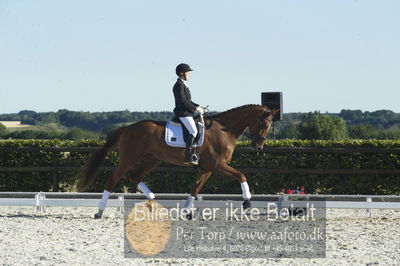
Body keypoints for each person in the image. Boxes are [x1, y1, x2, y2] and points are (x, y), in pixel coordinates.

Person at [173, 63, 205, 165]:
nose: (189, 75)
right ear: (182, 73)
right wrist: (195, 108)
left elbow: (189, 101)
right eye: (188, 73)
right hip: (183, 113)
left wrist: (199, 106)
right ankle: (188, 156)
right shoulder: (178, 85)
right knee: (193, 131)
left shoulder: (183, 85)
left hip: (187, 112)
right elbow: (183, 101)